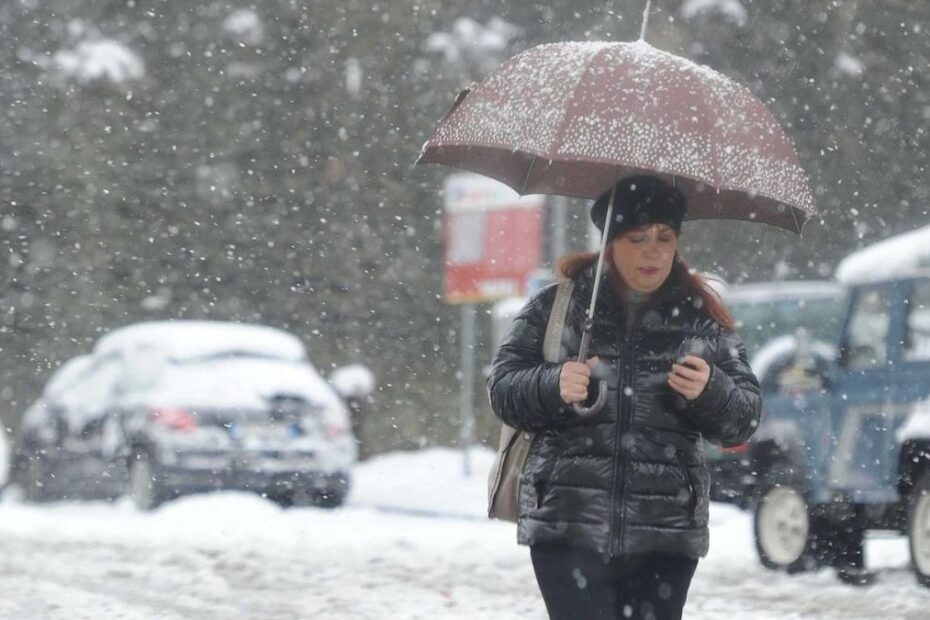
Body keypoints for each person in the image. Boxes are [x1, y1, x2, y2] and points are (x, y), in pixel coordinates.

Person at [488, 175, 762, 620]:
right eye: (638, 238)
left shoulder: (701, 320)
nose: (654, 251)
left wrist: (711, 392)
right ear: (611, 242)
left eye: (664, 237)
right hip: (568, 526)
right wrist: (551, 385)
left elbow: (745, 419)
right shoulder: (558, 306)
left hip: (665, 534)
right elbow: (502, 389)